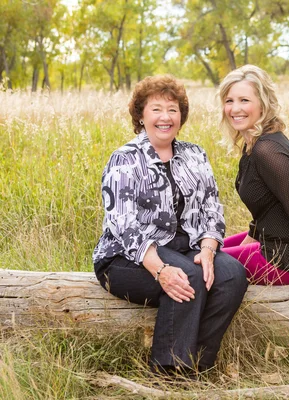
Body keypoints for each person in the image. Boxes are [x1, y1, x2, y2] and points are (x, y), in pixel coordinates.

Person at [92, 75, 248, 376]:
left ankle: (198, 365)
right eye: (156, 109)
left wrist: (208, 249)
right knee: (186, 276)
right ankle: (167, 372)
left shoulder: (194, 154)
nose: (165, 117)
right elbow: (122, 224)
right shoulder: (124, 159)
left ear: (181, 116)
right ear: (141, 115)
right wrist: (160, 270)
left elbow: (211, 207)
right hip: (125, 258)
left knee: (231, 275)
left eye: (173, 109)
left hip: (184, 248)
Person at [217, 65, 289, 310]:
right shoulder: (253, 145)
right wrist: (242, 245)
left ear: (263, 104)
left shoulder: (268, 151)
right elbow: (266, 212)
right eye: (229, 100)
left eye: (244, 100)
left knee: (206, 264)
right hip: (276, 242)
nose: (235, 108)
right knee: (208, 248)